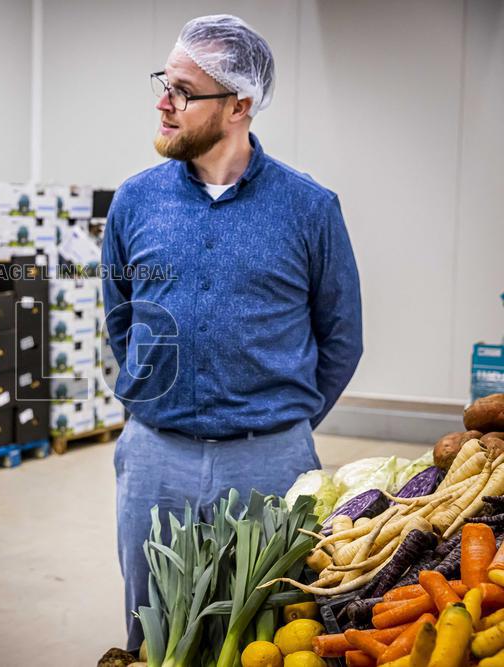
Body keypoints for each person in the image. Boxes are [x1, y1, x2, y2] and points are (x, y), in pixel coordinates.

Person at [101, 14, 363, 652]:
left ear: (240, 104)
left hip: (270, 458)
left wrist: (279, 421)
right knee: (151, 632)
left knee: (263, 634)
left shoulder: (309, 208)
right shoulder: (135, 201)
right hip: (154, 454)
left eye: (185, 90)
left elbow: (341, 337)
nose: (164, 101)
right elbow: (121, 318)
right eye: (164, 81)